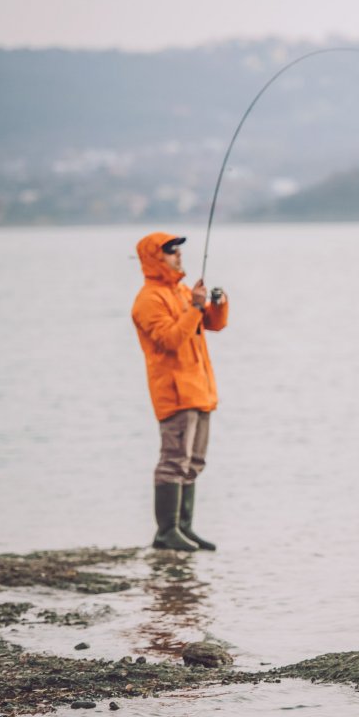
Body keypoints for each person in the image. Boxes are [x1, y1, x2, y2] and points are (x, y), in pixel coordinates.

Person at [131, 231, 229, 552]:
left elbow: (211, 325)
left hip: (200, 388)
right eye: (171, 251)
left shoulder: (182, 291)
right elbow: (170, 339)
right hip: (174, 392)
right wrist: (195, 308)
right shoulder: (148, 300)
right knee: (173, 461)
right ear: (154, 258)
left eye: (178, 250)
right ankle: (166, 532)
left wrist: (215, 304)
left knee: (194, 461)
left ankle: (184, 528)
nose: (178, 255)